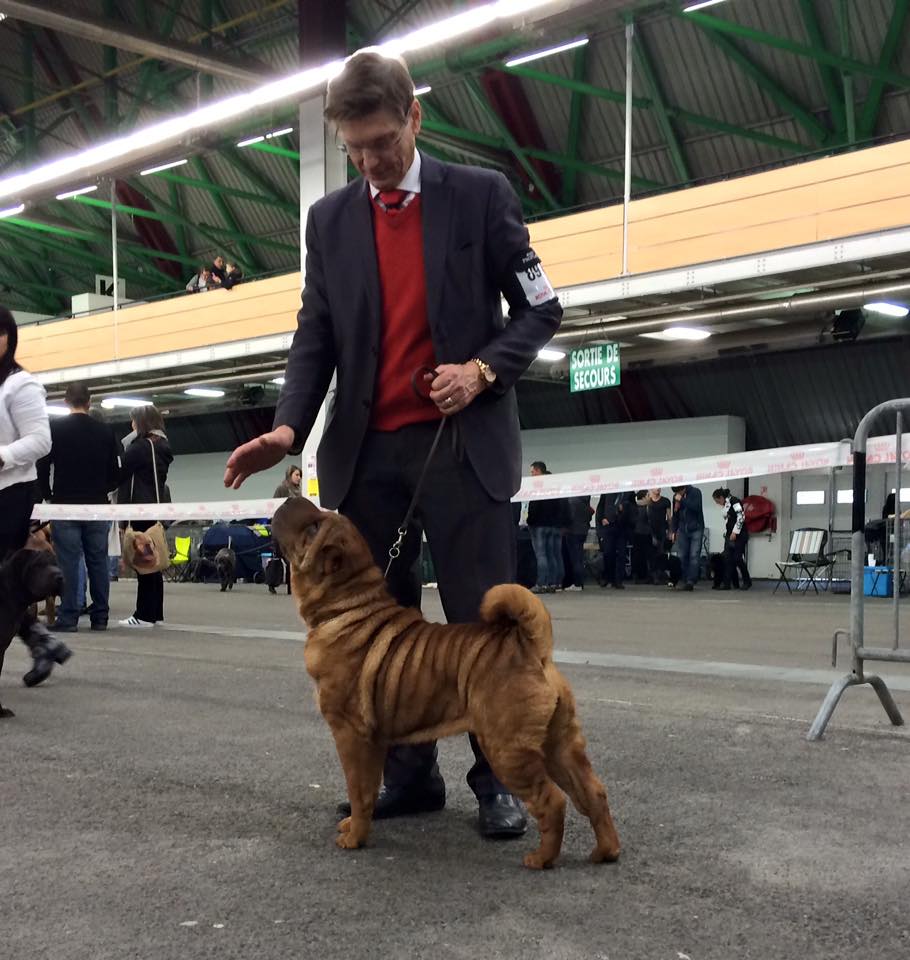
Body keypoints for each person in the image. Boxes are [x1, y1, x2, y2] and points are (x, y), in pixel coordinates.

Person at [224, 50, 562, 839]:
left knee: (486, 624)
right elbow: (317, 331)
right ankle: (408, 779)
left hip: (463, 445)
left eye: (382, 141)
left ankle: (498, 777)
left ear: (415, 116)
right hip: (366, 453)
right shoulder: (329, 219)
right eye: (355, 148)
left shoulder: (482, 196)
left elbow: (542, 311)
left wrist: (481, 371)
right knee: (380, 621)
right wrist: (286, 426)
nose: (371, 162)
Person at [0, 306, 72, 687]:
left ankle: (39, 639)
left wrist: (4, 455)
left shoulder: (20, 384)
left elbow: (41, 441)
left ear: (9, 338)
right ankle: (41, 640)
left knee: (5, 580)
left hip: (11, 492)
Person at [37, 382, 121, 632]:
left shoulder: (55, 429)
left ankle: (69, 617)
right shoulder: (106, 431)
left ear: (66, 401)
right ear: (89, 401)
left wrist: (48, 495)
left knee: (69, 562)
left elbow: (42, 466)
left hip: (65, 505)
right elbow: (115, 474)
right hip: (97, 506)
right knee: (98, 561)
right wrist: (101, 490)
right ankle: (100, 617)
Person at [117, 405, 173, 628]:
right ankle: (155, 613)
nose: (131, 425)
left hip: (139, 507)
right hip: (155, 507)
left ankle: (143, 614)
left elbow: (120, 471)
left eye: (133, 422)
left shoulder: (140, 447)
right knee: (154, 561)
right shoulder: (162, 446)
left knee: (143, 562)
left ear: (140, 423)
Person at [526, 461, 570, 594]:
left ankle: (542, 583)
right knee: (554, 555)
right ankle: (555, 582)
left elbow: (534, 507)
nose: (532, 475)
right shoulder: (555, 486)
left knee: (541, 555)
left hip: (539, 525)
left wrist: (529, 521)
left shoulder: (539, 486)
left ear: (539, 471)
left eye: (533, 472)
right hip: (554, 525)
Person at [712, 487, 752, 591]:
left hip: (740, 534)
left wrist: (735, 531)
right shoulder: (726, 505)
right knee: (728, 559)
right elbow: (728, 520)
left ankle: (747, 581)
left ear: (721, 497)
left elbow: (741, 517)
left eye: (717, 501)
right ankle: (726, 583)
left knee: (738, 558)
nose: (717, 504)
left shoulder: (735, 501)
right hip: (729, 534)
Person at [595, 491, 635, 589]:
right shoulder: (607, 491)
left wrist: (624, 509)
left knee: (621, 554)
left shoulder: (629, 493)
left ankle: (618, 580)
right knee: (608, 552)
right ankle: (608, 577)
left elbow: (634, 510)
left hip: (622, 527)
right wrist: (602, 519)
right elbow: (600, 507)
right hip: (608, 525)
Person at [671, 484, 705, 591]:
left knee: (694, 555)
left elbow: (697, 507)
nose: (677, 495)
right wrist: (673, 530)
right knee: (681, 555)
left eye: (679, 492)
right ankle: (684, 579)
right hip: (682, 529)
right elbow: (675, 514)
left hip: (696, 528)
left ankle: (691, 581)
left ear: (683, 488)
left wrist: (682, 500)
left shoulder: (696, 492)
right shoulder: (676, 496)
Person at [565, 494, 594, 591]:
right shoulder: (586, 503)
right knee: (580, 558)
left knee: (575, 558)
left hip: (573, 531)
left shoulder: (572, 501)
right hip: (583, 531)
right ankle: (580, 582)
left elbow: (570, 517)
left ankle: (577, 583)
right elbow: (589, 516)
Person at [646, 488, 672, 585]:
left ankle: (660, 575)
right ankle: (652, 575)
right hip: (650, 530)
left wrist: (670, 531)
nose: (658, 489)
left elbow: (669, 517)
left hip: (661, 530)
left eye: (659, 487)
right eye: (656, 487)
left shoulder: (665, 501)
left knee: (661, 553)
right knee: (650, 554)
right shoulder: (648, 502)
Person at [630, 490, 652, 584]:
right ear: (643, 497)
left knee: (636, 555)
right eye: (648, 495)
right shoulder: (647, 507)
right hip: (645, 533)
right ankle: (644, 575)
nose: (649, 497)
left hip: (635, 533)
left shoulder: (633, 507)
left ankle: (636, 574)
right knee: (646, 555)